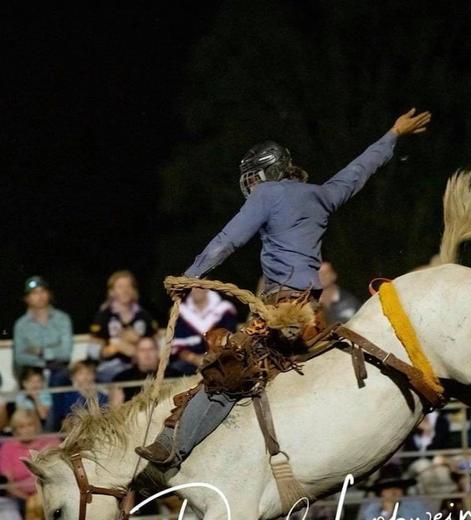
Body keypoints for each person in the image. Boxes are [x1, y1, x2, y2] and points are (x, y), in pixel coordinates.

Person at [136, 107, 432, 466]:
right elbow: (357, 172)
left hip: (281, 311)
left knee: (226, 369)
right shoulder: (321, 194)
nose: (251, 185)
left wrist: (190, 276)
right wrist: (392, 136)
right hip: (312, 312)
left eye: (252, 177)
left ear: (265, 174)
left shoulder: (267, 195)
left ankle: (173, 445)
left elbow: (227, 240)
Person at [88, 270, 158, 382]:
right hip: (112, 368)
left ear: (134, 290)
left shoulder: (144, 316)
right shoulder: (103, 316)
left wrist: (137, 342)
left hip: (141, 367)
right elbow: (92, 352)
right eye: (120, 287)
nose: (125, 291)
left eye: (128, 286)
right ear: (112, 292)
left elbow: (156, 346)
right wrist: (116, 348)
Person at [12, 276, 73, 386]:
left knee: (61, 377)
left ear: (49, 294)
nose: (40, 296)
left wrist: (41, 352)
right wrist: (44, 362)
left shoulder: (62, 318)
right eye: (34, 293)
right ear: (27, 298)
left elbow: (66, 353)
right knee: (32, 380)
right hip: (33, 369)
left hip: (57, 369)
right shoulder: (21, 324)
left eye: (43, 291)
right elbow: (20, 357)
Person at [170, 288, 238, 376]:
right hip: (190, 362)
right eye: (193, 286)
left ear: (207, 285)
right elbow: (178, 346)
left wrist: (211, 359)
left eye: (200, 286)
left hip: (220, 360)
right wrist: (194, 359)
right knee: (174, 370)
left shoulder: (225, 309)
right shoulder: (181, 312)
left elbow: (231, 341)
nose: (196, 290)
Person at [0, 410, 59, 503]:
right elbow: (8, 483)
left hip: (51, 495)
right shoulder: (8, 447)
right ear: (15, 430)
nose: (27, 430)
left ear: (36, 426)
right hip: (19, 499)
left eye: (30, 425)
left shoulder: (51, 442)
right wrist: (29, 500)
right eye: (22, 427)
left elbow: (58, 474)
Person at [112, 337, 181, 403]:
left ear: (157, 351)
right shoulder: (122, 379)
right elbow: (115, 409)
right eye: (142, 350)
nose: (147, 353)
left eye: (151, 349)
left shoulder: (174, 375)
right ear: (136, 353)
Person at [48, 361, 109, 431]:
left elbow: (104, 416)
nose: (85, 377)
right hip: (75, 430)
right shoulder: (68, 395)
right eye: (81, 373)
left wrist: (92, 398)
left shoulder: (102, 395)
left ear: (94, 376)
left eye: (89, 373)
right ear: (73, 377)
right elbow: (65, 419)